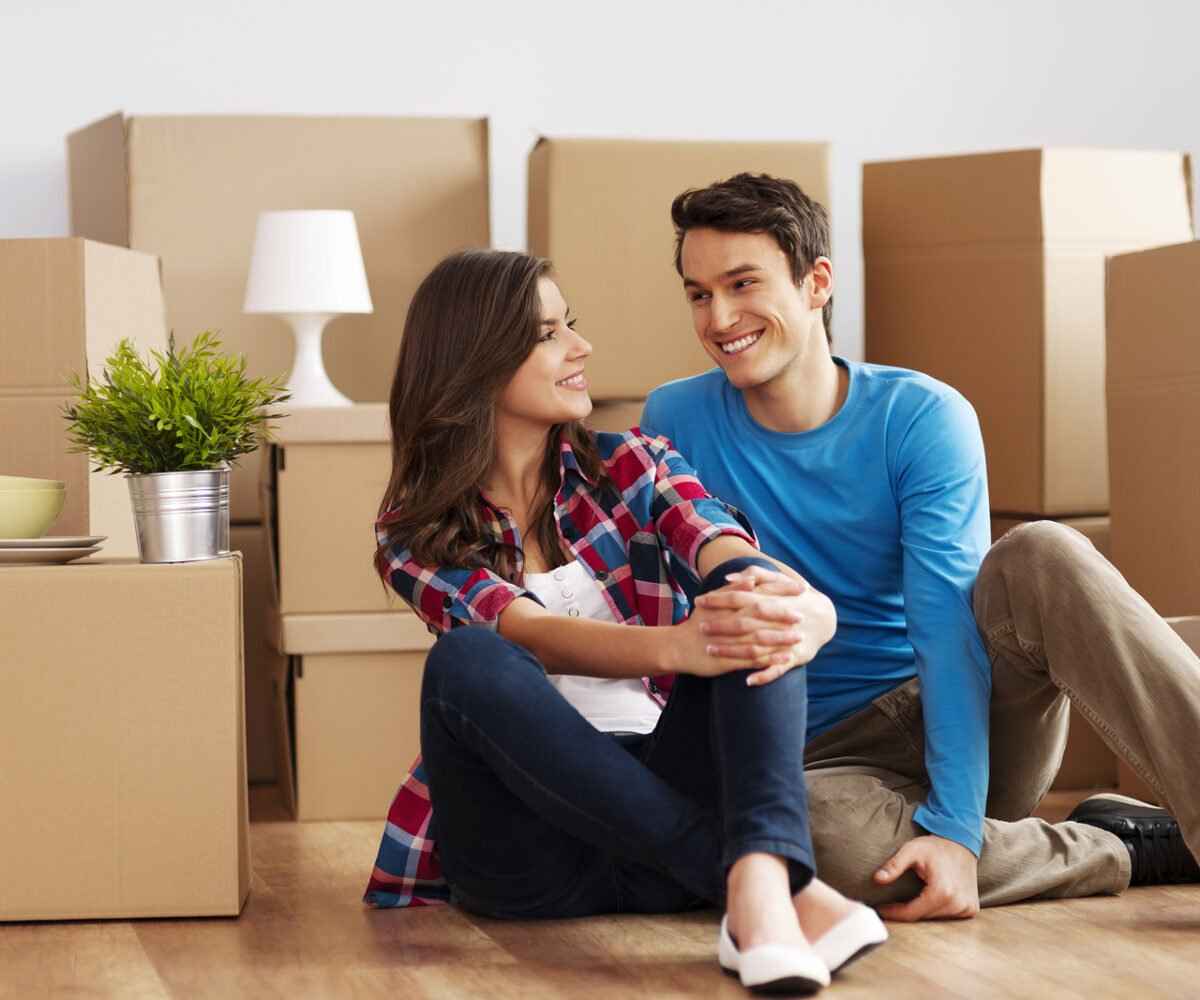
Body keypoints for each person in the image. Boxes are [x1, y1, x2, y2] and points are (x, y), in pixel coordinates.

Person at [640, 172, 1200, 922]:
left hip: (960, 716)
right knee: (801, 839)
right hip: (819, 762)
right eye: (699, 294)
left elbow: (946, 628)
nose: (720, 316)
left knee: (1040, 553)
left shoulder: (921, 416)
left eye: (743, 283)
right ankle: (1120, 845)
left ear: (816, 284)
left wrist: (960, 830)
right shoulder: (675, 418)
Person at [362, 248, 888, 993]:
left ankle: (757, 890)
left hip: (660, 799)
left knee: (748, 596)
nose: (580, 348)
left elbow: (723, 546)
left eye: (569, 326)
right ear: (476, 360)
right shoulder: (412, 531)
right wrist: (678, 645)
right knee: (468, 661)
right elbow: (529, 633)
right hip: (527, 857)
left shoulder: (634, 463)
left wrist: (803, 610)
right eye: (548, 335)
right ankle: (768, 887)